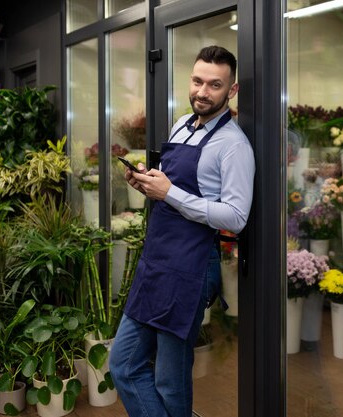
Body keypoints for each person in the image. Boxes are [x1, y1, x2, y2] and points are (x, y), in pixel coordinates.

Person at [109, 45, 255, 417]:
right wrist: (147, 182)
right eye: (197, 81)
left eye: (215, 85)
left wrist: (170, 193)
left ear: (231, 91)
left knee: (170, 383)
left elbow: (237, 217)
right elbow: (171, 189)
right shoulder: (181, 125)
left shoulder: (234, 146)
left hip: (189, 267)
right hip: (156, 261)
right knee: (123, 365)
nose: (202, 92)